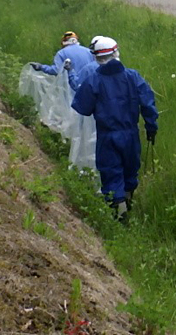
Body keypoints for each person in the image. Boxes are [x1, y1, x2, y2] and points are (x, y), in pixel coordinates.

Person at [72, 37, 158, 222]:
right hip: (131, 134)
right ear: (116, 52)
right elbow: (148, 104)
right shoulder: (133, 76)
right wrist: (151, 127)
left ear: (96, 57)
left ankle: (119, 215)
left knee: (111, 172)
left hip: (107, 136)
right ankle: (127, 204)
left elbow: (83, 108)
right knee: (130, 170)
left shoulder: (93, 80)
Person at [30, 31, 95, 80]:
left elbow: (57, 70)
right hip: (90, 84)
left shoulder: (61, 53)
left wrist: (41, 67)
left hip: (73, 86)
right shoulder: (88, 51)